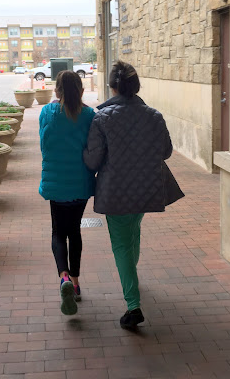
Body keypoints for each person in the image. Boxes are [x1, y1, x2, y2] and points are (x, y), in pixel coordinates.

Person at [83, 61, 173, 329]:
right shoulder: (154, 116)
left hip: (115, 191)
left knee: (122, 244)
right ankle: (132, 277)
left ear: (112, 87)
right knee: (133, 230)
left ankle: (133, 305)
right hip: (146, 187)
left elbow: (93, 160)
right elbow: (166, 151)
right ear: (136, 87)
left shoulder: (102, 118)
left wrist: (84, 153)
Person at [39, 70, 96, 315]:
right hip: (80, 184)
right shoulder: (89, 115)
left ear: (57, 91)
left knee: (58, 233)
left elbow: (44, 145)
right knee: (74, 231)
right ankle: (75, 282)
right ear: (81, 91)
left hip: (56, 183)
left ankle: (63, 278)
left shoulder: (47, 112)